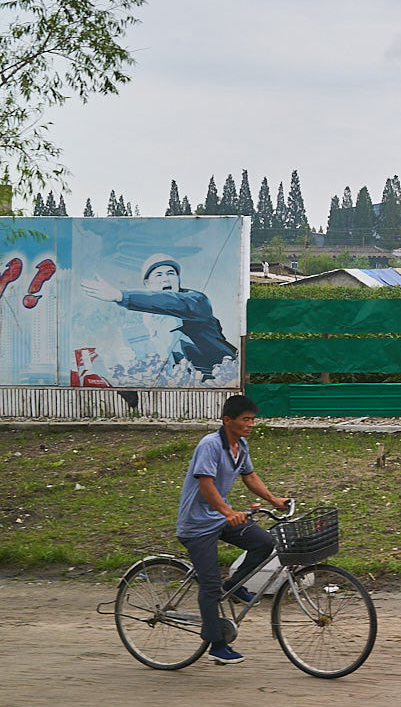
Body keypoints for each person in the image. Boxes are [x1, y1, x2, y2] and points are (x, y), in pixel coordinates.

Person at [176, 394, 290, 664]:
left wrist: (273, 500)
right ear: (228, 421)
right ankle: (216, 644)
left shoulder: (241, 445)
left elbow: (249, 475)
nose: (251, 424)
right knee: (210, 586)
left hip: (219, 518)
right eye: (245, 419)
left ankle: (234, 585)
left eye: (252, 419)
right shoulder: (210, 445)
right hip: (197, 525)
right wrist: (228, 512)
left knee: (264, 542)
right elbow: (206, 484)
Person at [82, 254, 238, 380]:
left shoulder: (196, 302)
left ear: (178, 279)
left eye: (171, 273)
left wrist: (121, 296)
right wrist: (125, 358)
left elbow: (169, 302)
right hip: (180, 382)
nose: (166, 278)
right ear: (147, 283)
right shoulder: (140, 323)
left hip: (220, 376)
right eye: (158, 274)